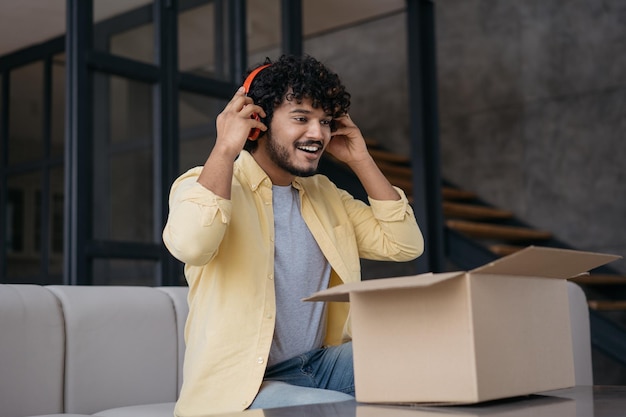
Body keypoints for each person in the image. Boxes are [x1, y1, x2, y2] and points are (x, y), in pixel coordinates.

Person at [162, 54, 424, 416]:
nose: (317, 134)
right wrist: (225, 148)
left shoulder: (325, 194)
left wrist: (360, 159)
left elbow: (404, 244)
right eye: (301, 118)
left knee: (426, 364)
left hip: (320, 365)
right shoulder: (202, 184)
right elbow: (192, 245)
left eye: (325, 122)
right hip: (243, 387)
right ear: (257, 122)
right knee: (330, 410)